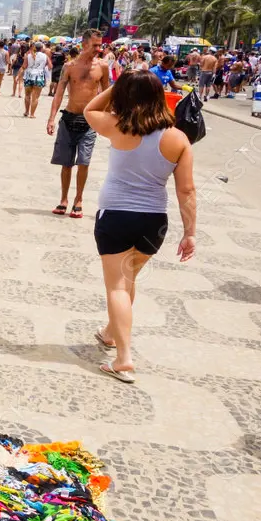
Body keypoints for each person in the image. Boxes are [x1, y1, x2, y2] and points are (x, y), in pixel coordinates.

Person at [84, 71, 196, 383]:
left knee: (117, 286)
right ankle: (110, 333)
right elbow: (186, 191)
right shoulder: (177, 138)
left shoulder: (118, 125)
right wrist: (190, 233)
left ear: (126, 96)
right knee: (128, 279)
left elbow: (89, 110)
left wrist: (115, 86)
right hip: (154, 222)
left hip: (116, 216)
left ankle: (123, 359)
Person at [46, 29, 110, 219]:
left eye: (100, 45)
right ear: (84, 44)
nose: (99, 49)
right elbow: (58, 94)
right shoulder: (69, 66)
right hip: (68, 119)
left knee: (84, 162)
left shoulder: (103, 67)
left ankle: (78, 200)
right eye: (95, 45)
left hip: (89, 122)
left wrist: (107, 119)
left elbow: (107, 93)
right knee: (66, 164)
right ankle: (64, 199)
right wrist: (51, 118)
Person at [22, 41, 49, 117]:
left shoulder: (28, 55)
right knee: (35, 97)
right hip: (39, 77)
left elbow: (24, 66)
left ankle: (26, 112)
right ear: (41, 48)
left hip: (28, 76)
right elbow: (47, 65)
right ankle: (32, 114)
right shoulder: (45, 56)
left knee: (27, 95)